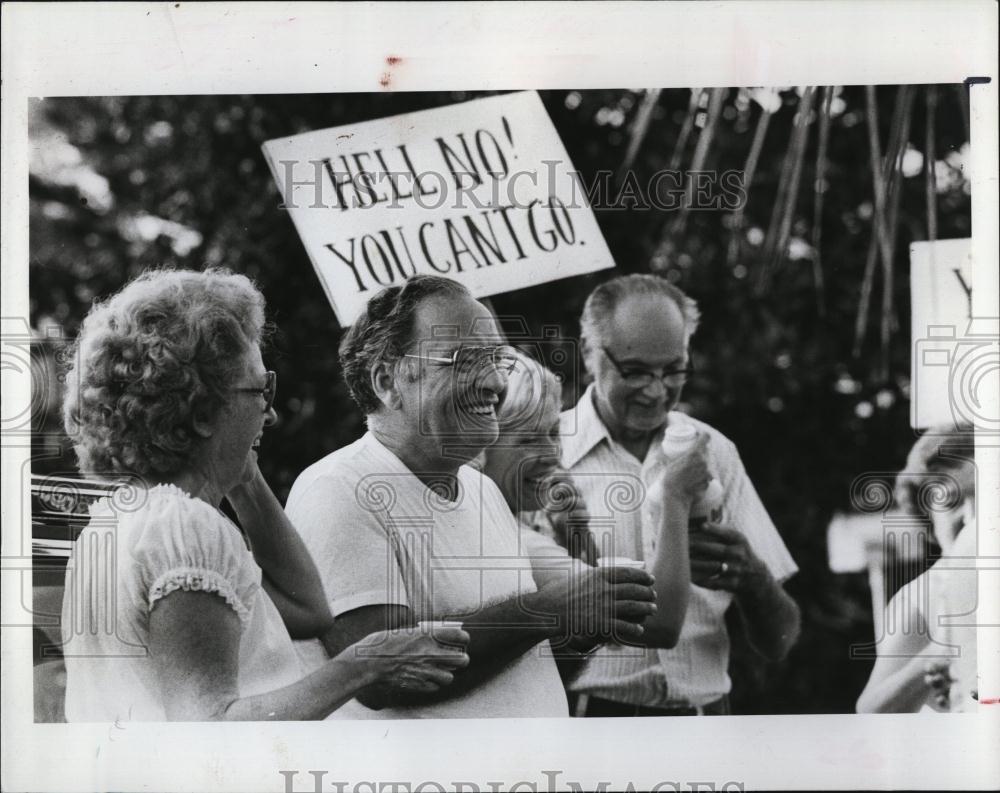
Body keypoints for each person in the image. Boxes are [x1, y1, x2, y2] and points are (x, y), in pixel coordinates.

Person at [59, 268, 469, 722]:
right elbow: (211, 729)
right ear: (201, 412)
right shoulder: (186, 529)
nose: (270, 414)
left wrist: (241, 474)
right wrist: (366, 664)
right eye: (260, 389)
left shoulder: (121, 521)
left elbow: (310, 611)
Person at [285, 274, 657, 718]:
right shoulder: (338, 489)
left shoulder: (481, 489)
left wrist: (582, 626)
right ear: (388, 381)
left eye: (497, 359)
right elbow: (381, 677)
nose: (495, 381)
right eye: (465, 360)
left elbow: (519, 663)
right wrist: (549, 609)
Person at [561, 273, 801, 717]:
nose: (656, 391)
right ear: (589, 354)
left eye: (673, 370)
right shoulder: (547, 456)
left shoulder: (714, 452)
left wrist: (752, 578)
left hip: (706, 719)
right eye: (634, 372)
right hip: (592, 723)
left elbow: (781, 641)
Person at [856, 426, 978, 713]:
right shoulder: (928, 593)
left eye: (983, 498)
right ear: (928, 518)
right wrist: (938, 655)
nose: (969, 514)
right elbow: (871, 710)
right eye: (952, 501)